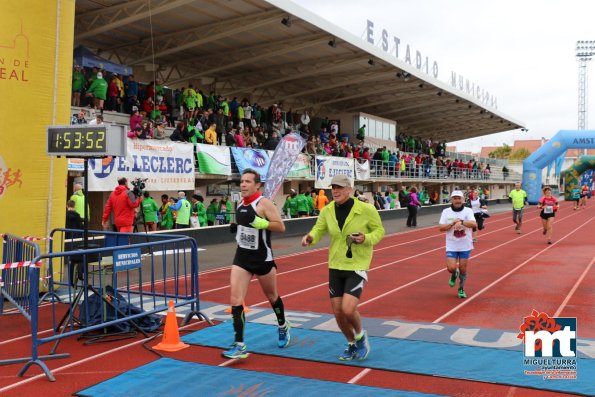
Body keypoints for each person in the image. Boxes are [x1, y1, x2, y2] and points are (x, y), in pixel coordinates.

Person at [301, 174, 385, 361]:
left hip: (357, 264)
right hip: (335, 264)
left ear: (349, 189)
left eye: (339, 187)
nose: (335, 191)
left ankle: (360, 336)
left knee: (348, 309)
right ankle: (350, 343)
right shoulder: (327, 210)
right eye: (333, 188)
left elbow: (379, 231)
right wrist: (310, 237)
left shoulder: (366, 209)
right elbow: (319, 229)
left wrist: (366, 238)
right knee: (338, 312)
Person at [222, 169, 289, 359]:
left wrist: (264, 224)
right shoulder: (239, 202)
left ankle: (283, 326)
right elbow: (244, 226)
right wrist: (236, 228)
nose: (243, 185)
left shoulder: (264, 203)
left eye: (247, 182)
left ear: (257, 185)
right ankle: (240, 344)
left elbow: (281, 227)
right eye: (241, 181)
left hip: (262, 259)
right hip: (242, 257)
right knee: (236, 300)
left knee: (272, 296)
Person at [438, 190, 477, 299]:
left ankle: (461, 288)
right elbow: (440, 227)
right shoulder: (446, 212)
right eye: (455, 198)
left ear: (463, 200)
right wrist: (451, 224)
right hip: (452, 245)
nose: (457, 200)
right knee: (451, 268)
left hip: (465, 245)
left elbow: (474, 224)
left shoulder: (468, 211)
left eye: (459, 198)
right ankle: (454, 274)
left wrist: (462, 222)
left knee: (463, 270)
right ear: (451, 200)